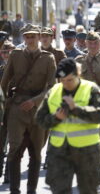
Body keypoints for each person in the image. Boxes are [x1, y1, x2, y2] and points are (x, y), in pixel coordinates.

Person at [36, 58, 100, 194]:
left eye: (69, 80)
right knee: (59, 190)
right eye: (62, 81)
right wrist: (55, 118)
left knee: (89, 189)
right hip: (59, 152)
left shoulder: (91, 89)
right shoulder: (54, 91)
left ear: (78, 74)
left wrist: (77, 109)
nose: (65, 84)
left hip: (87, 151)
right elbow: (40, 119)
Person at [0, 23, 56, 194]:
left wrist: (35, 101)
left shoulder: (48, 58)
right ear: (23, 38)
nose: (30, 39)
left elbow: (53, 87)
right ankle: (15, 189)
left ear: (39, 37)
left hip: (38, 108)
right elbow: (4, 83)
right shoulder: (16, 55)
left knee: (36, 152)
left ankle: (31, 190)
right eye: (27, 36)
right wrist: (2, 108)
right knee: (14, 149)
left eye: (33, 36)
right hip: (17, 107)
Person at [0, 41, 15, 184]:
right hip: (2, 111)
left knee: (13, 142)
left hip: (15, 111)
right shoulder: (0, 69)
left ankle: (8, 174)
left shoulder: (19, 71)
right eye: (4, 52)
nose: (6, 55)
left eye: (9, 52)